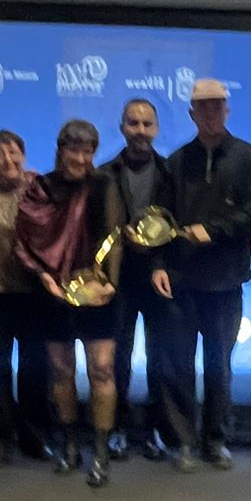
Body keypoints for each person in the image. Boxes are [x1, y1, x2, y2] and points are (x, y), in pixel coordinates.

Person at [163, 79, 251, 472]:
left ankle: (216, 440)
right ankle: (183, 442)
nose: (210, 113)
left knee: (219, 365)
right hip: (181, 279)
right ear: (192, 114)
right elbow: (161, 220)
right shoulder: (176, 162)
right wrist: (159, 265)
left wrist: (214, 230)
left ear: (227, 111)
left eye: (217, 106)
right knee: (179, 364)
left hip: (226, 281)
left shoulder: (248, 159)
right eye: (203, 107)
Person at [16, 120, 124, 488]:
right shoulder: (40, 188)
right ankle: (70, 446)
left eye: (88, 150)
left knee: (102, 370)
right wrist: (43, 277)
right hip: (53, 291)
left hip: (98, 291)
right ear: (60, 150)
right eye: (73, 149)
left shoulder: (104, 184)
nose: (80, 158)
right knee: (61, 370)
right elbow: (24, 240)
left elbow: (114, 237)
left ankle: (101, 452)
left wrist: (109, 283)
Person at [100, 98, 178, 463]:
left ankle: (156, 430)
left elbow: (177, 227)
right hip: (118, 279)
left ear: (157, 129)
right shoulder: (104, 174)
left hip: (160, 276)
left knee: (161, 358)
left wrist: (161, 262)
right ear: (122, 128)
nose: (140, 130)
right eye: (133, 123)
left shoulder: (171, 173)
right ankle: (117, 426)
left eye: (147, 124)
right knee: (119, 358)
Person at [0, 129, 52, 466]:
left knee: (36, 369)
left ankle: (36, 438)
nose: (7, 159)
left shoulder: (41, 193)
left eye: (13, 152)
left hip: (35, 294)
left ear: (23, 154)